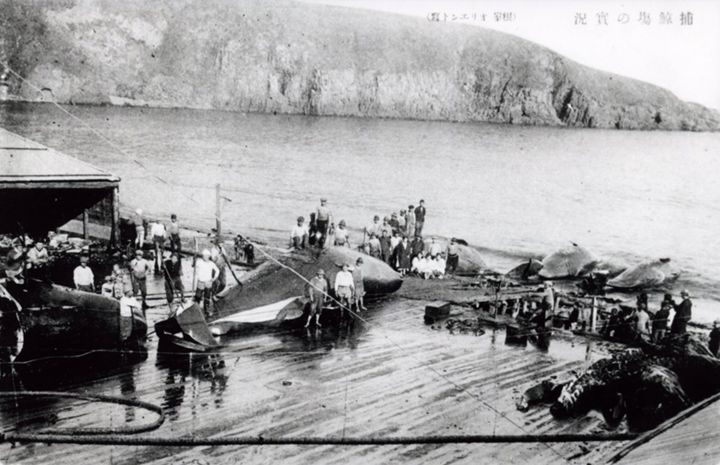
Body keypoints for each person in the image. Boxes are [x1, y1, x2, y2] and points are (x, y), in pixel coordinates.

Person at [194, 249, 220, 313]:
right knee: (198, 296)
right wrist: (194, 259)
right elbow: (194, 267)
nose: (205, 257)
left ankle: (206, 310)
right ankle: (196, 310)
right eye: (204, 255)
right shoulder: (199, 262)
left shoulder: (211, 263)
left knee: (207, 297)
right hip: (200, 282)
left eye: (207, 256)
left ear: (209, 256)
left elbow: (217, 271)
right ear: (202, 256)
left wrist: (214, 278)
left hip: (208, 282)